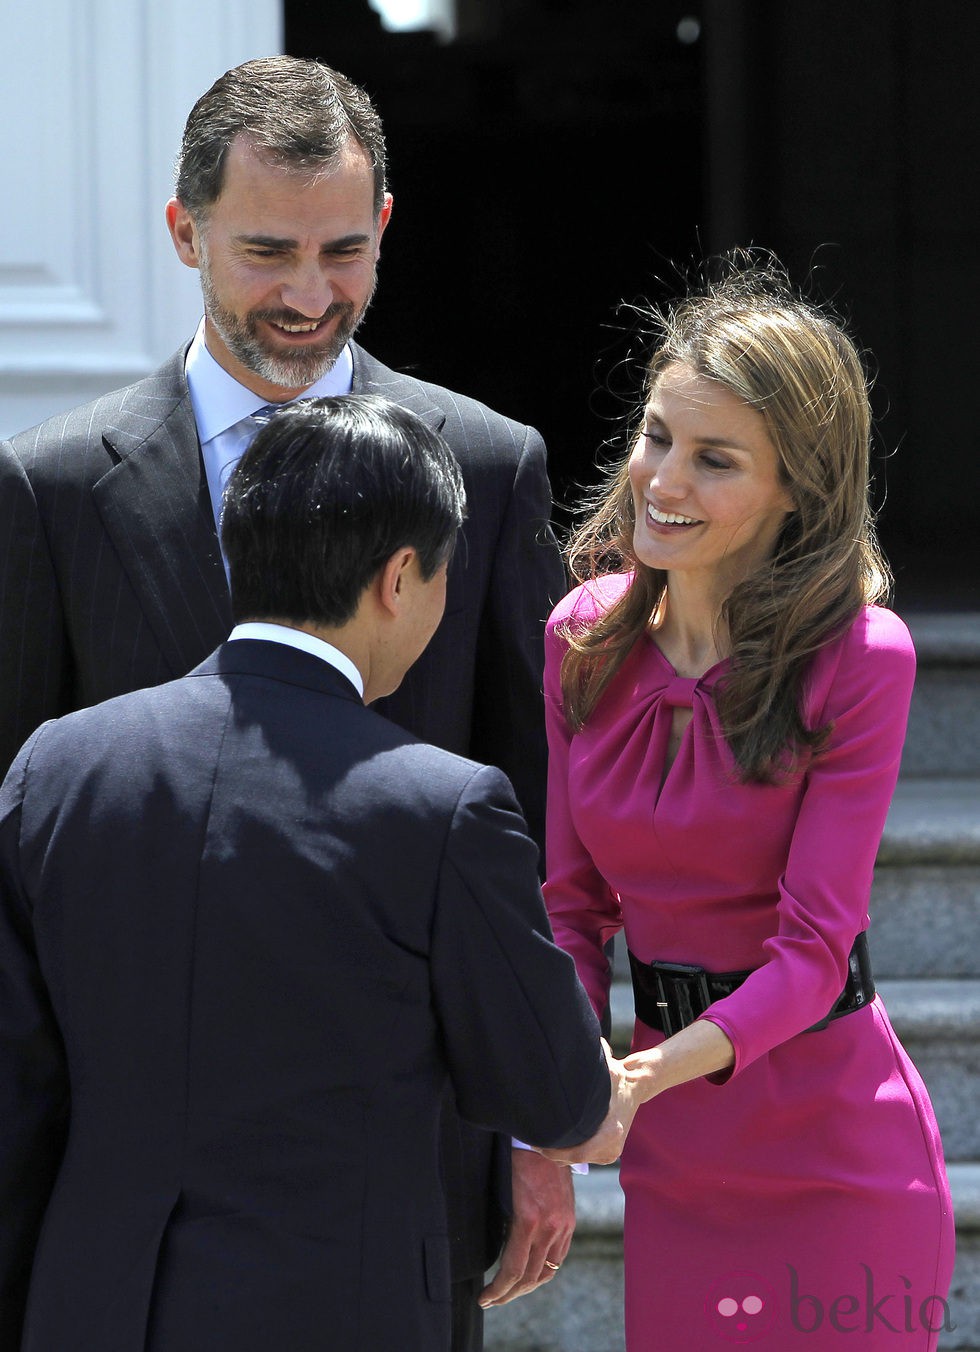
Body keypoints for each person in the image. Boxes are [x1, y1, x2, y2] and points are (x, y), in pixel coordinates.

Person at [0, 56, 567, 1343]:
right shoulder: (50, 491)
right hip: (129, 1173)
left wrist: (534, 1125)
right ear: (182, 230)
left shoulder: (486, 463)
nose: (310, 296)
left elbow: (533, 825)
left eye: (342, 251)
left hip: (396, 1166)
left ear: (383, 228)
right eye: (266, 252)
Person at [0, 394, 618, 1352]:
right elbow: (560, 1096)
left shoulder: (55, 767)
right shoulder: (441, 807)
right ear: (399, 577)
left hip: (93, 1303)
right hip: (340, 1307)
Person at [534, 262, 955, 1349]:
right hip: (675, 1153)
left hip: (833, 1150)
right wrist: (568, 1055)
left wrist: (636, 1077)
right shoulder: (579, 635)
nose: (660, 479)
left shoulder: (862, 659)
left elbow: (815, 948)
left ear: (794, 491)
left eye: (713, 459)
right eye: (657, 436)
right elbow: (570, 906)